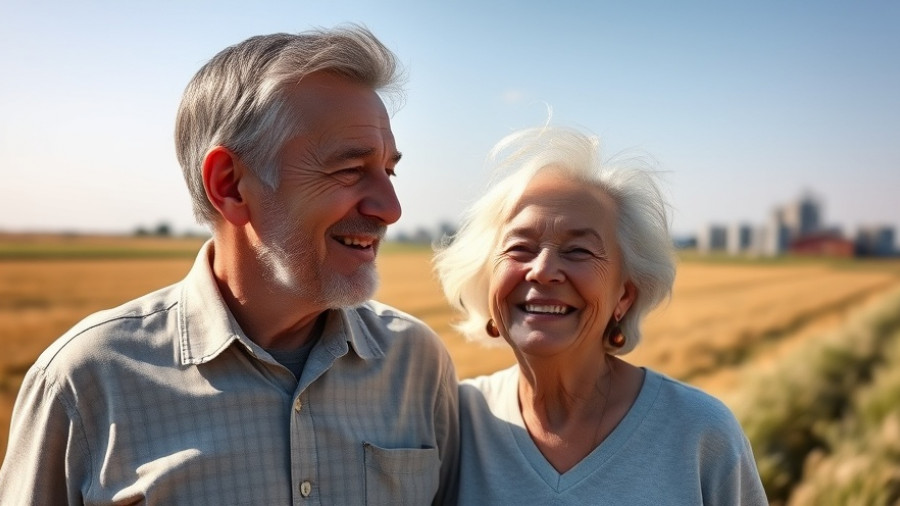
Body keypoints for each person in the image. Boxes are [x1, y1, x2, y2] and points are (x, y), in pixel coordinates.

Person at [0, 25, 458, 505]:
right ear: (231, 185)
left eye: (389, 170)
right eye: (348, 169)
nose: (391, 208)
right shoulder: (85, 380)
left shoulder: (417, 364)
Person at [434, 126, 767, 504]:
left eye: (578, 251)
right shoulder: (455, 424)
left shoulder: (700, 434)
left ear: (623, 296)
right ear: (485, 278)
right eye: (520, 248)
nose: (542, 270)